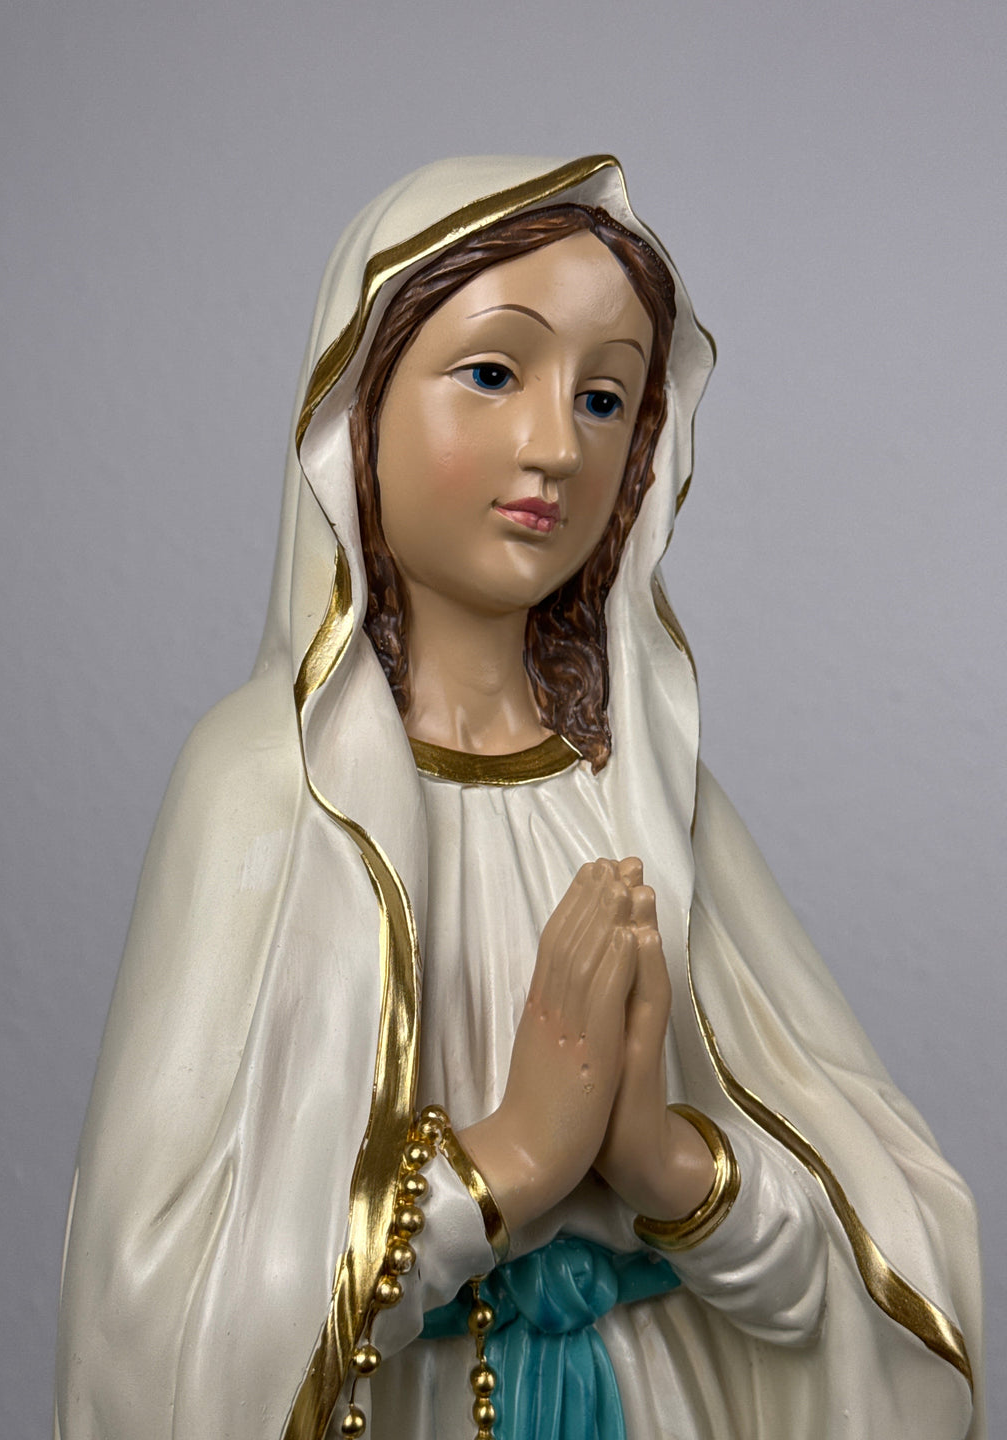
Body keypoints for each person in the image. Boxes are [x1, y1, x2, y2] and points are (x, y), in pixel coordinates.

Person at [54, 155, 983, 1440]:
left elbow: (861, 1271)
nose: (557, 446)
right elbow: (161, 1318)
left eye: (605, 398)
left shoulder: (645, 795)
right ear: (358, 407)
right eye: (494, 373)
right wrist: (513, 1164)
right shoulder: (267, 790)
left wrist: (664, 1162)